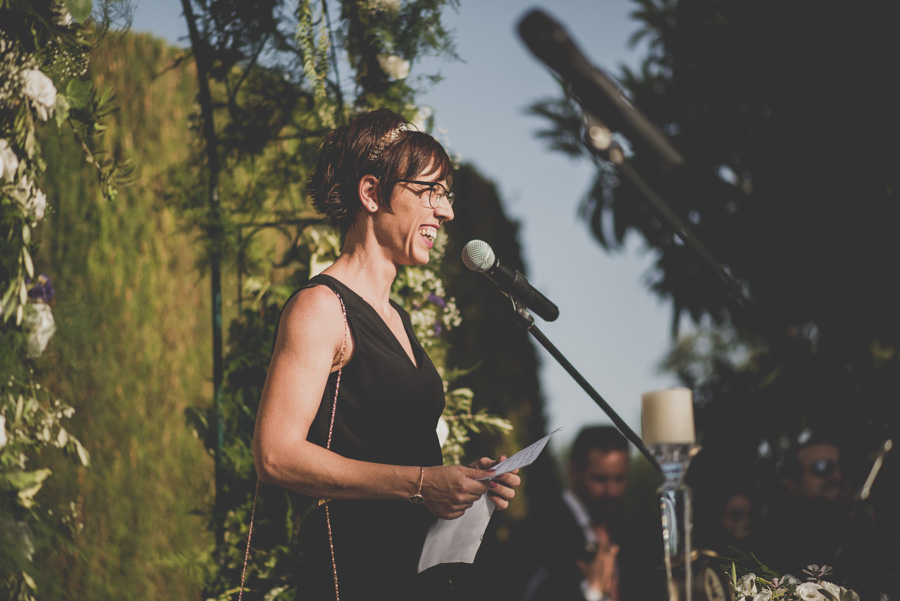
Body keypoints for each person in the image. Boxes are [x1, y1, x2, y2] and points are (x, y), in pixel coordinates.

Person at [252, 108, 521, 601]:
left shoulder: (398, 318)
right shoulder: (321, 309)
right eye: (429, 192)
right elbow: (275, 455)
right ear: (371, 193)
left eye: (447, 194)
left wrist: (466, 483)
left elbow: (395, 450)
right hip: (355, 573)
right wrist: (422, 483)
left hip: (415, 573)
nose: (446, 212)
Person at [523, 425, 662, 601]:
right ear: (574, 471)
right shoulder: (540, 528)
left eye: (619, 478)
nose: (611, 491)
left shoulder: (627, 529)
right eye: (600, 479)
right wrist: (592, 593)